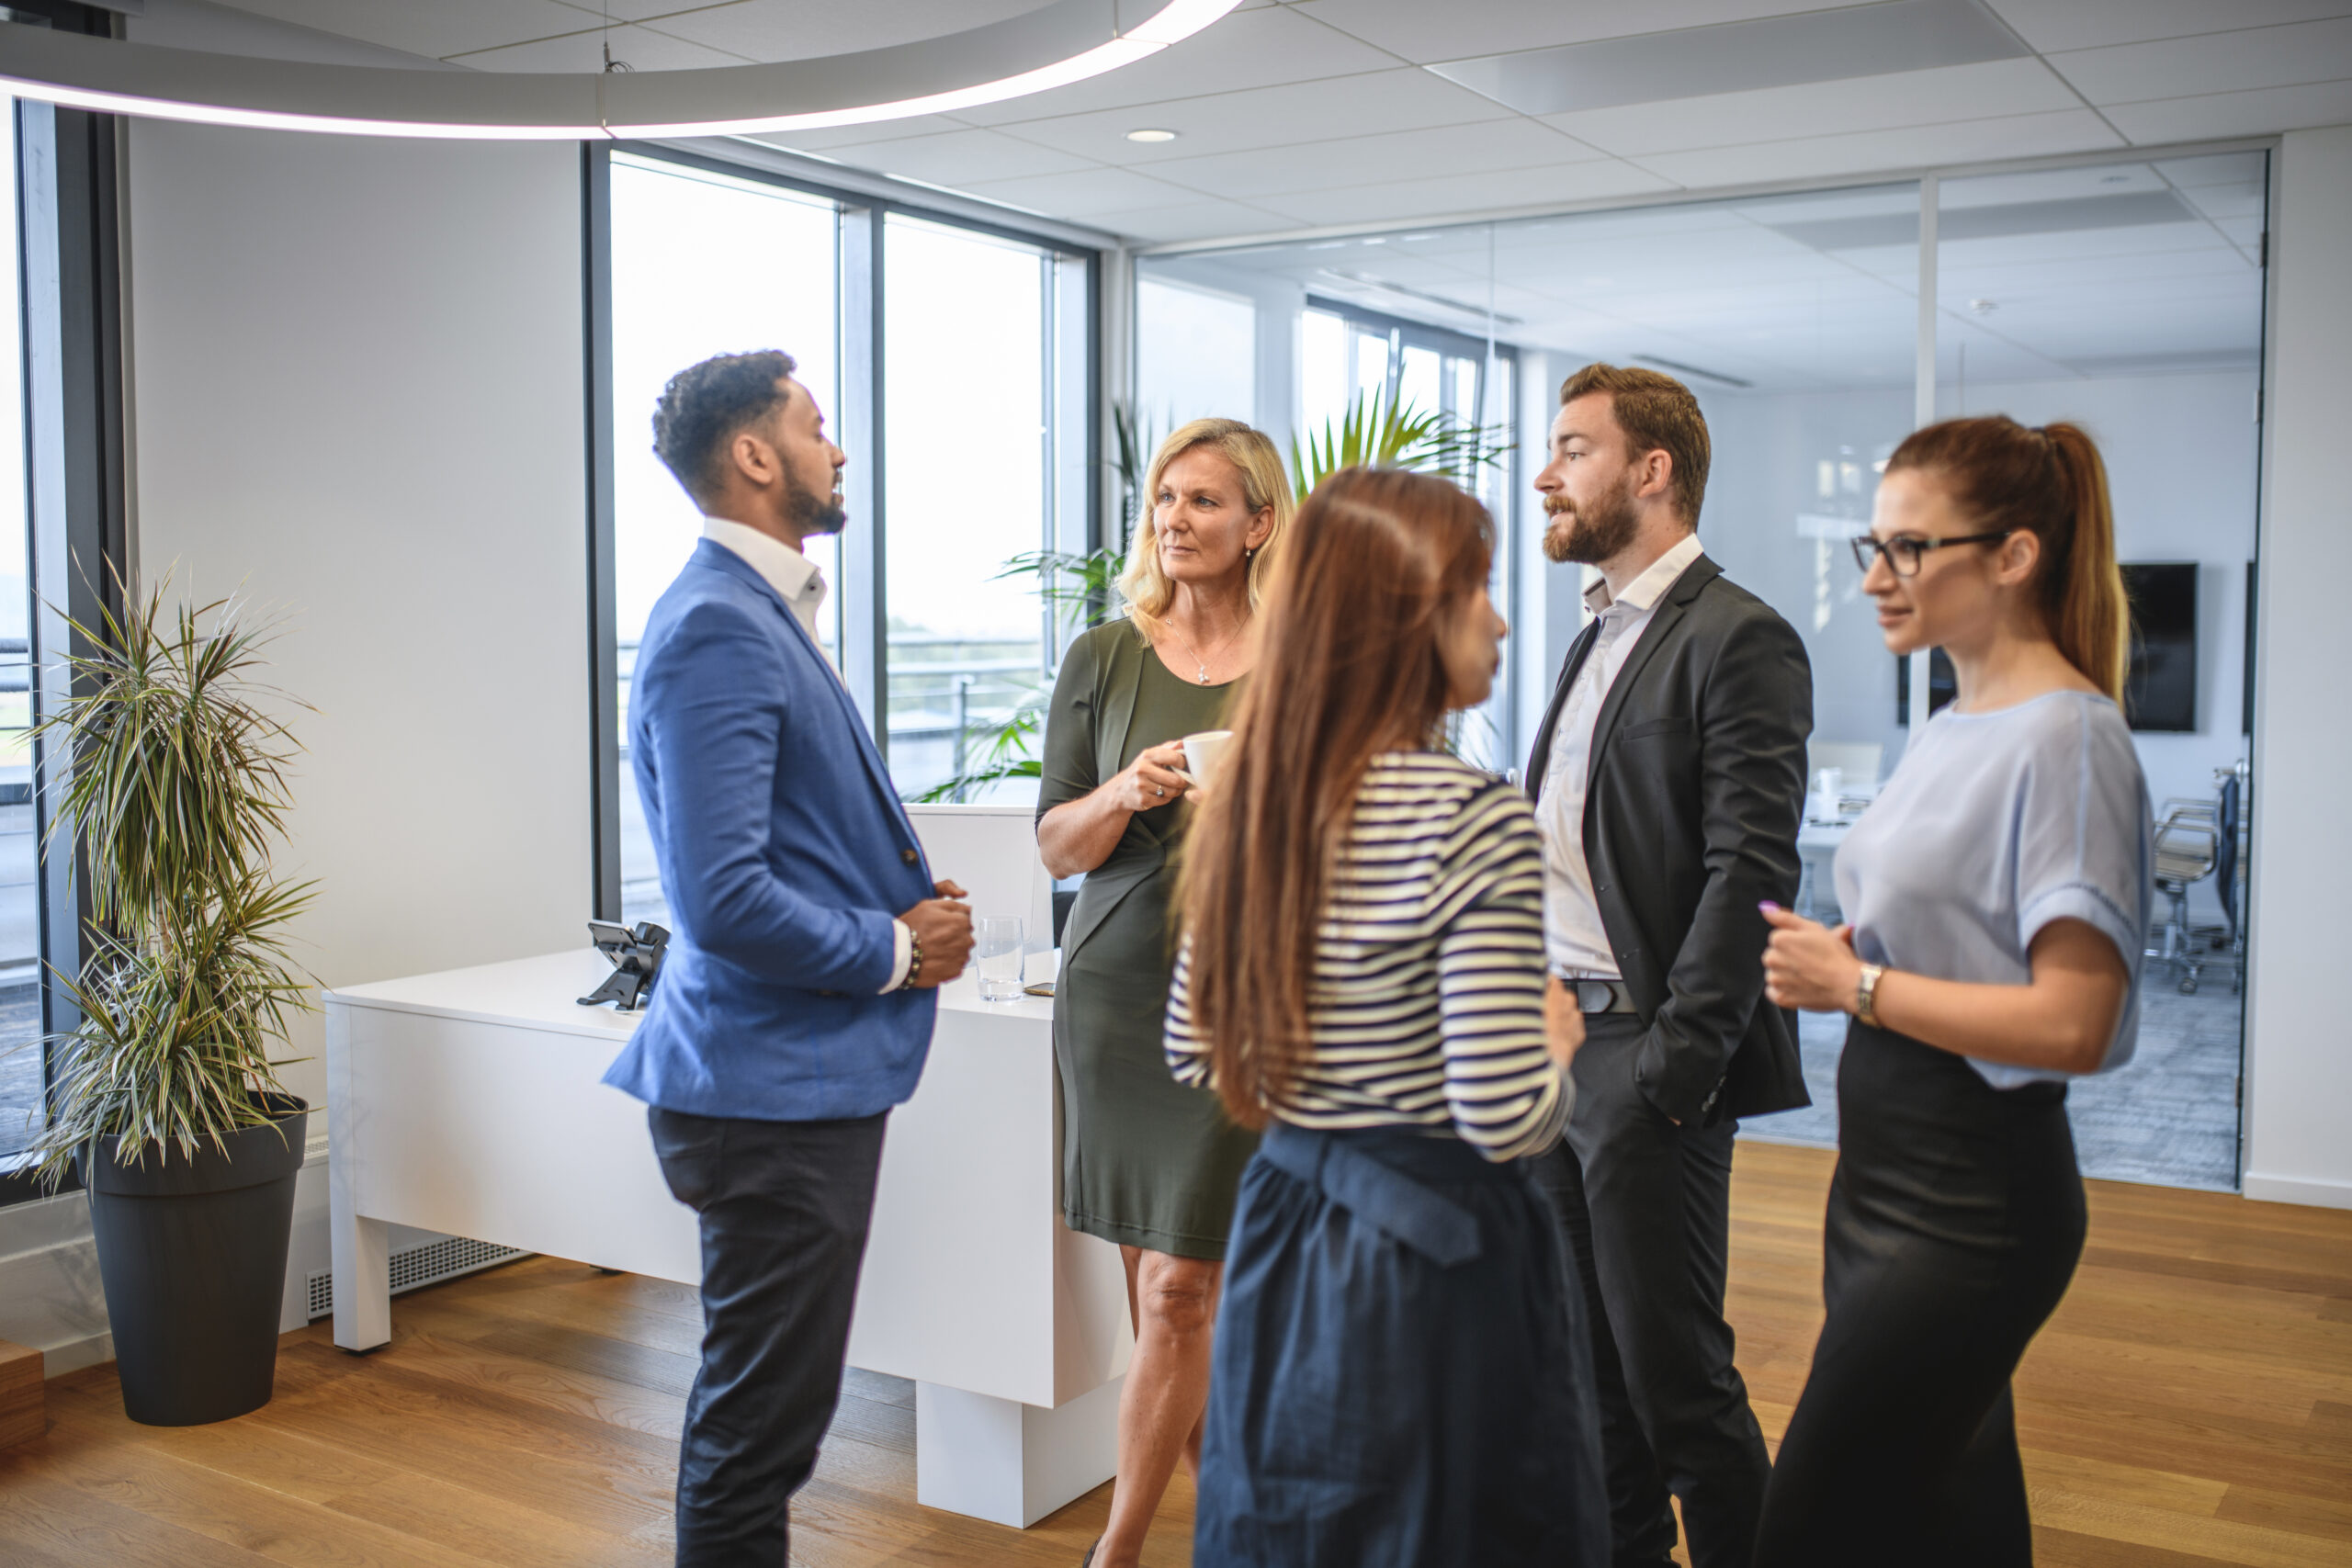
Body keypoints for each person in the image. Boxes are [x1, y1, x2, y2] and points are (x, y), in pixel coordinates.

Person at [1168, 466, 1610, 1568]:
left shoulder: (1252, 802)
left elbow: (1191, 1046)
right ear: (1405, 618)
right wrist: (1554, 1046)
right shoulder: (1475, 819)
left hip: (1286, 1229)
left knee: (1302, 1525)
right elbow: (1503, 1115)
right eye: (1477, 591)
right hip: (1436, 1253)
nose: (1502, 621)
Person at [1753, 416, 2151, 1568]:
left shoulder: (2067, 739)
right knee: (1955, 1511)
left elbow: (2076, 1022)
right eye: (1869, 547)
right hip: (1884, 1172)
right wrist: (1851, 961)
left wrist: (1859, 983)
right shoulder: (1950, 724)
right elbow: (1949, 931)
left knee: (1810, 1530)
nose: (1877, 578)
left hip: (1972, 1202)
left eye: (1910, 549)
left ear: (2014, 556)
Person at [601, 350, 975, 1567]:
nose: (840, 446)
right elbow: (720, 898)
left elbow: (785, 848)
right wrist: (893, 949)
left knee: (772, 1417)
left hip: (786, 1081)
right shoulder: (717, 621)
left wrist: (904, 907)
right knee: (759, 1428)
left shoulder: (758, 610)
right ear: (756, 455)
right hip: (765, 1090)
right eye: (818, 425)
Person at [1523, 363, 1812, 1568]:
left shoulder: (1739, 637)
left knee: (1679, 1384)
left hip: (1646, 1055)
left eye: (1573, 449)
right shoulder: (1594, 632)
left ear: (1653, 470)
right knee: (1590, 1382)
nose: (1546, 473)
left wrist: (1678, 1063)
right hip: (1558, 1047)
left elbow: (1752, 866)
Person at [1035, 417, 1291, 1568]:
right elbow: (1054, 844)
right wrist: (1125, 794)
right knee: (1167, 1301)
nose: (1174, 521)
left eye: (1202, 502)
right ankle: (1244, 1532)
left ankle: (1118, 1553)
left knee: (1188, 1287)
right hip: (1116, 994)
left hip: (1239, 999)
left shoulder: (1303, 661)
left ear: (1259, 523)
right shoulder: (1101, 657)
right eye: (1163, 500)